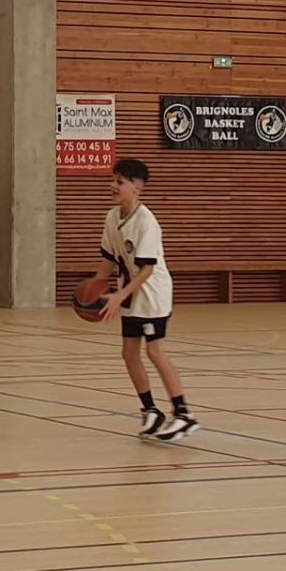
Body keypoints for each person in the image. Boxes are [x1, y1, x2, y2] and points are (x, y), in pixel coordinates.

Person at [98, 158, 199, 442]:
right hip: (131, 294)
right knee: (129, 352)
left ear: (137, 187)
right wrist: (96, 287)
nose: (113, 186)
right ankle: (151, 410)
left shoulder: (146, 222)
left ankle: (184, 414)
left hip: (153, 294)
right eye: (113, 180)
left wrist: (119, 295)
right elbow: (109, 260)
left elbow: (147, 270)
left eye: (120, 182)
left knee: (154, 351)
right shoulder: (112, 217)